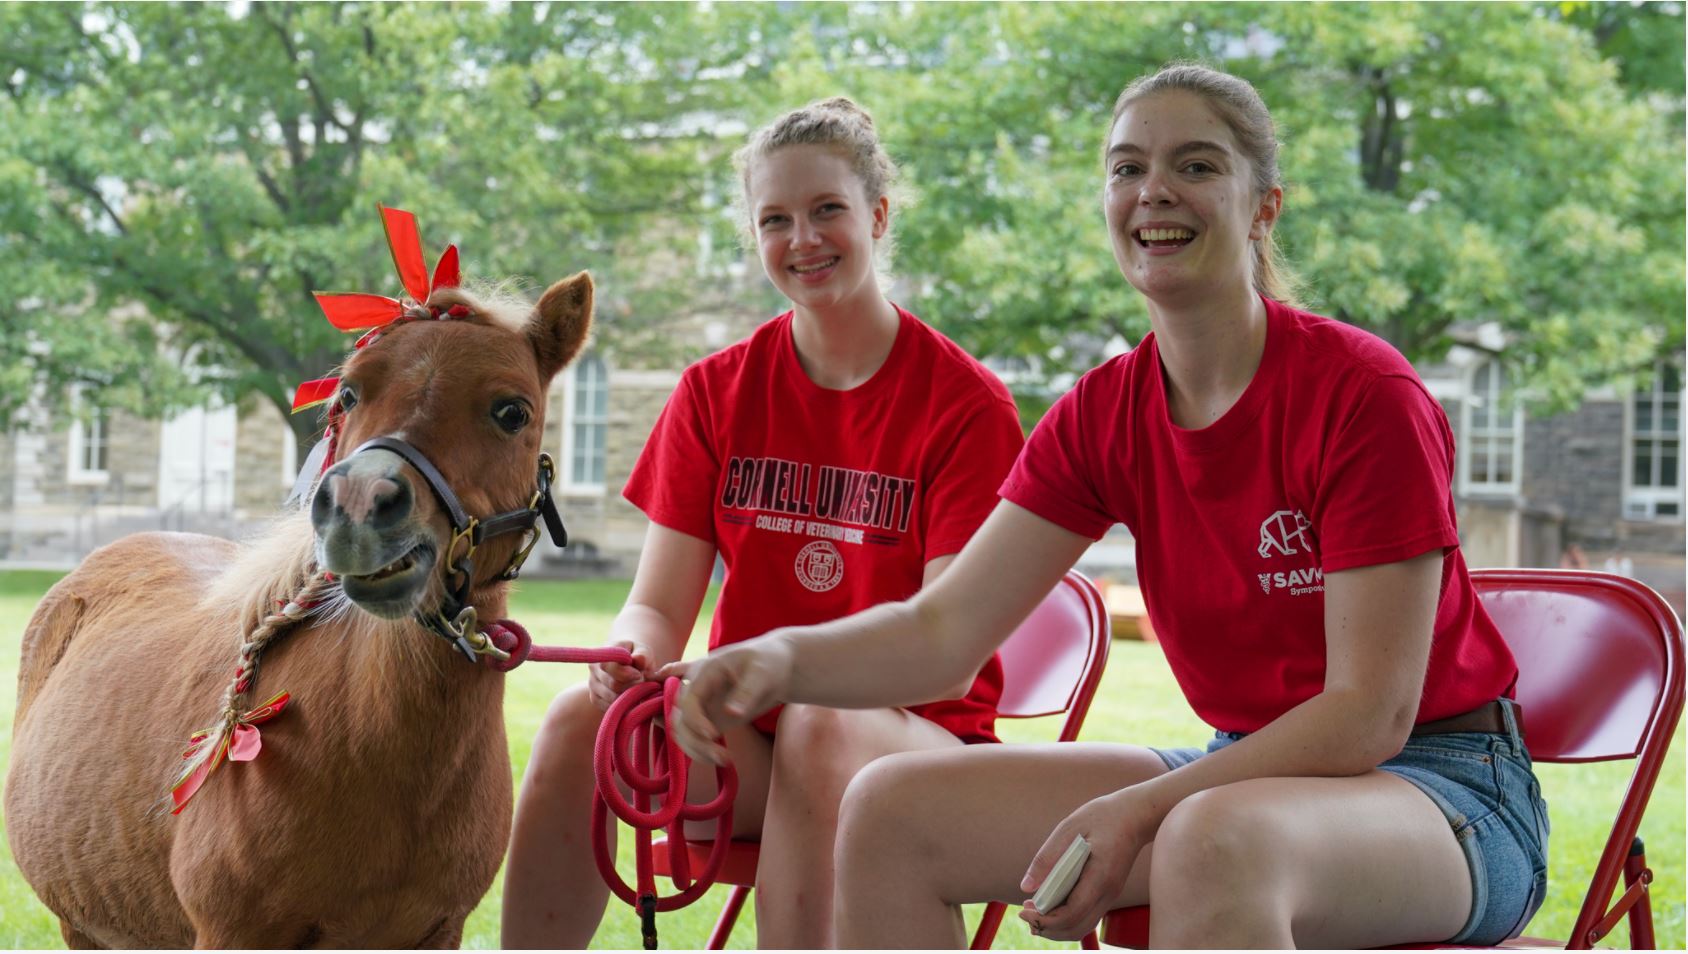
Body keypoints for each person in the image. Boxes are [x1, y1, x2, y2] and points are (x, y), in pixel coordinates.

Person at [663, 64, 1549, 949]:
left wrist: (1150, 806)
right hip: (1239, 768)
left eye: (1196, 166)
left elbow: (1368, 714)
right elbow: (942, 637)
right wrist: (775, 659)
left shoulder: (1363, 394)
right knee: (893, 807)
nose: (1153, 191)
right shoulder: (1102, 412)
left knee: (1212, 840)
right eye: (1127, 169)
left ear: (1264, 206)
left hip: (1445, 783)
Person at [500, 97, 1025, 949]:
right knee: (571, 720)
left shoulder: (966, 406)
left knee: (821, 722)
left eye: (828, 210)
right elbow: (658, 606)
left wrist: (786, 674)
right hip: (749, 733)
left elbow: (939, 657)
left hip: (915, 740)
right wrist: (629, 658)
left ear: (878, 216)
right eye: (774, 219)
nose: (803, 239)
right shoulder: (716, 390)